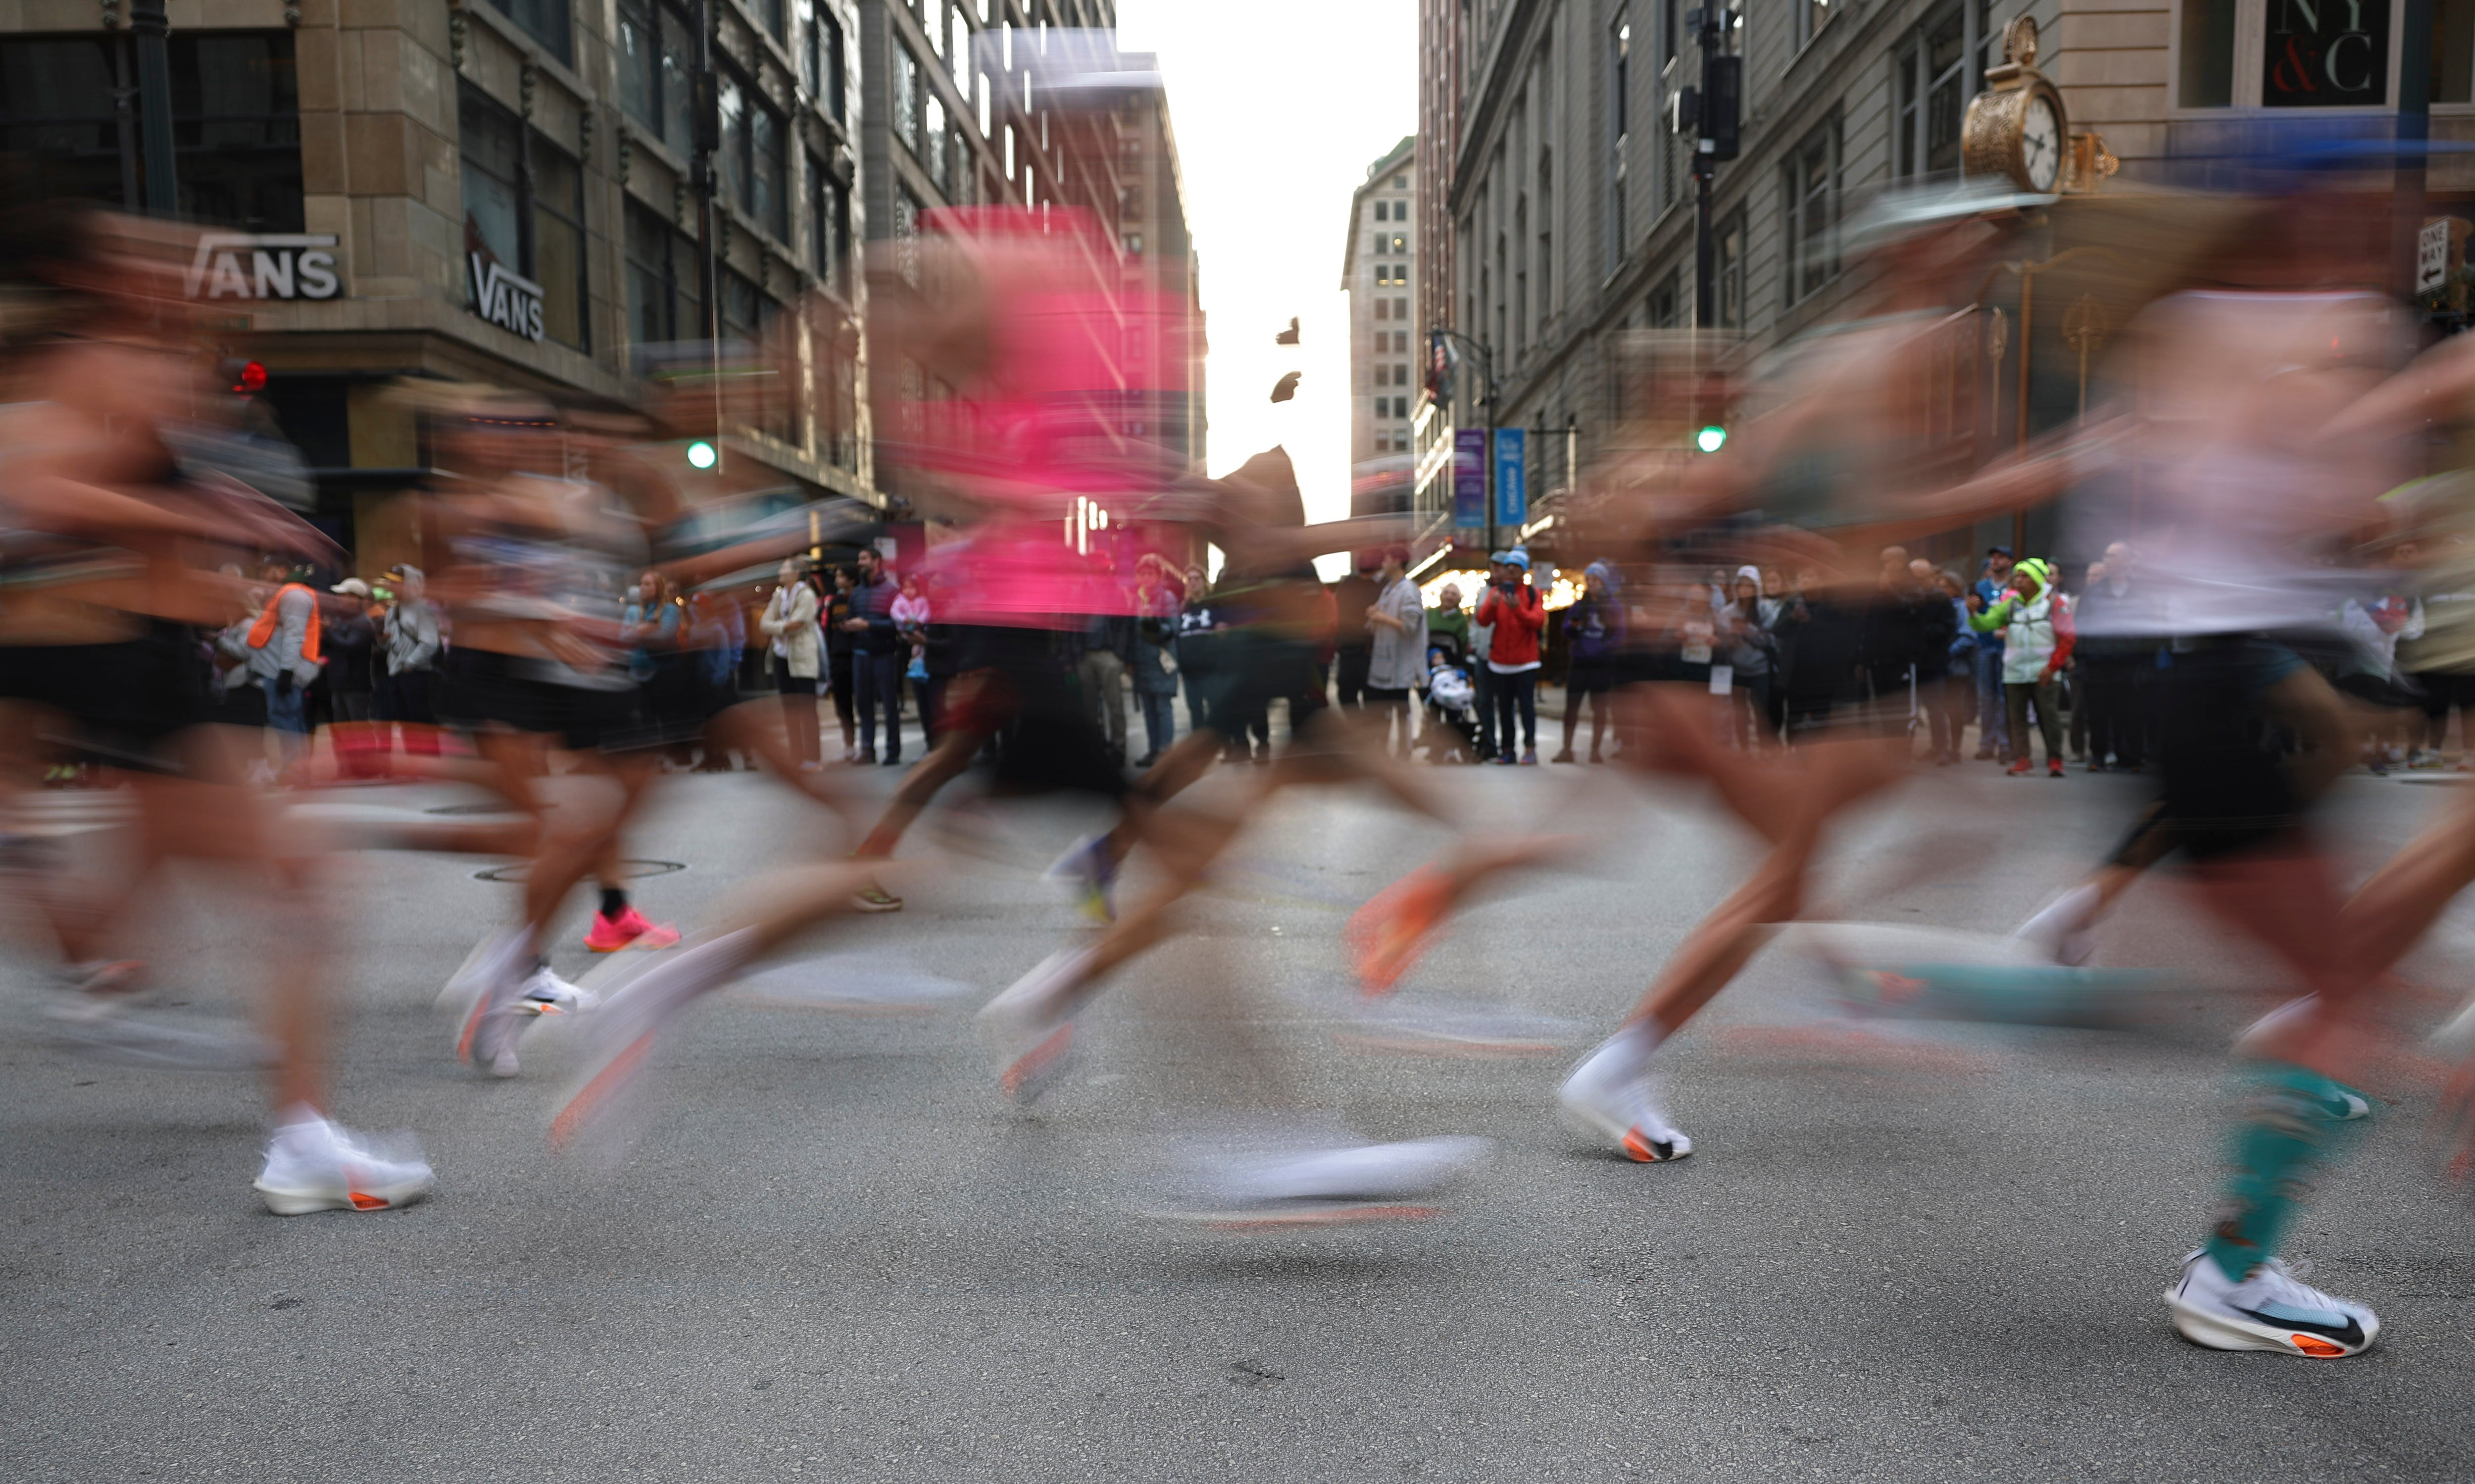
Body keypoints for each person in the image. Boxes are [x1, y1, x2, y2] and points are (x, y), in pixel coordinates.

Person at [1972, 557, 2073, 777]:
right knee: (2016, 718)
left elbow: (2068, 638)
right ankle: (2023, 759)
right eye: (2018, 575)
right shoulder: (2011, 604)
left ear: (2037, 578)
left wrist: (2053, 667)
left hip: (2044, 671)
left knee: (2050, 717)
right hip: (2015, 672)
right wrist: (1973, 614)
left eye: (2025, 576)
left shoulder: (2055, 602)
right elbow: (1986, 624)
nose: (2019, 580)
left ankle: (2055, 759)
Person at [2073, 545, 2147, 772]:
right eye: (2105, 555)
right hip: (2098, 662)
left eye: (2113, 556)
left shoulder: (2140, 592)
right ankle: (2098, 755)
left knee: (2129, 711)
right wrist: (2081, 658)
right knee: (2097, 711)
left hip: (2129, 661)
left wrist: (2144, 657)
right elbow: (2081, 627)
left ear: (2126, 560)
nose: (2107, 560)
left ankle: (2129, 757)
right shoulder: (2093, 592)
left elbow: (2148, 626)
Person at [1474, 548, 1545, 765]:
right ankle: (1508, 750)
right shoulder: (1497, 592)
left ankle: (1530, 749)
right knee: (1504, 709)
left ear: (1523, 571)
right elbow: (1483, 621)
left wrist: (1518, 610)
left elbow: (1538, 621)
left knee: (1526, 708)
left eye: (1516, 566)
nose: (1511, 569)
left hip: (1525, 663)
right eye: (1508, 566)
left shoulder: (1534, 593)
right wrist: (1493, 603)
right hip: (1500, 663)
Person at [1360, 544, 1426, 759]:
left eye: (1387, 559)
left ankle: (1404, 752)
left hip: (1400, 663)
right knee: (1387, 710)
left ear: (1398, 561)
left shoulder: (1408, 590)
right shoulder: (1390, 589)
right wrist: (1375, 614)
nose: (1383, 563)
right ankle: (1388, 752)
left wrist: (1380, 618)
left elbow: (1409, 626)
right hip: (1387, 663)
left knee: (1401, 709)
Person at [1554, 562, 1623, 763]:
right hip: (1580, 661)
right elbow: (1567, 631)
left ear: (1603, 582)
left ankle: (1595, 751)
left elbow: (1620, 634)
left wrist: (1603, 649)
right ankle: (1566, 749)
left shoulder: (1613, 606)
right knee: (1572, 707)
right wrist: (1573, 628)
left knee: (1599, 708)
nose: (1591, 584)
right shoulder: (1580, 604)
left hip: (1601, 663)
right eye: (1589, 580)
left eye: (1595, 580)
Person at [759, 559, 823, 770]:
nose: (780, 571)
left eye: (785, 568)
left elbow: (796, 626)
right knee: (790, 710)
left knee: (807, 709)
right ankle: (796, 757)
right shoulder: (779, 595)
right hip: (781, 657)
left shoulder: (806, 595)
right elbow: (763, 623)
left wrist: (777, 627)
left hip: (802, 659)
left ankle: (813, 758)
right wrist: (782, 626)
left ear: (796, 572)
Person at [374, 562, 442, 761]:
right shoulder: (393, 611)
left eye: (397, 583)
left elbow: (430, 643)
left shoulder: (423, 609)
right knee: (405, 721)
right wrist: (383, 641)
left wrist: (410, 664)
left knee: (421, 720)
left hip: (416, 674)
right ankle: (416, 763)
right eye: (391, 583)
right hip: (396, 673)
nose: (391, 587)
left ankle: (429, 762)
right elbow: (390, 645)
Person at [844, 546, 903, 764]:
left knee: (889, 706)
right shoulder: (857, 593)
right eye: (859, 558)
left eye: (864, 558)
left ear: (877, 561)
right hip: (860, 655)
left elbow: (897, 624)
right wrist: (848, 625)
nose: (860, 562)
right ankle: (867, 751)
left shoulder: (891, 591)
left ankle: (893, 752)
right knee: (864, 706)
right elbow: (851, 617)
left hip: (884, 656)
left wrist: (868, 624)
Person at [320, 577, 382, 780]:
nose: (339, 600)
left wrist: (329, 631)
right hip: (339, 682)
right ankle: (347, 768)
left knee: (358, 728)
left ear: (356, 599)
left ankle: (365, 769)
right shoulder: (344, 621)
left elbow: (349, 646)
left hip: (355, 684)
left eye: (344, 596)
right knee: (342, 730)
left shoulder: (362, 623)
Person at [1713, 565, 1778, 752]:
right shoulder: (1726, 612)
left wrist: (1747, 630)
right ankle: (1744, 751)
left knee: (1761, 713)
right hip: (1736, 670)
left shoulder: (1765, 611)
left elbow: (1772, 640)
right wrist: (1728, 639)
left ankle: (1765, 750)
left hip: (1760, 670)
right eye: (1742, 586)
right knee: (1739, 714)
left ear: (1756, 588)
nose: (1745, 590)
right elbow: (1721, 641)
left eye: (1750, 586)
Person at [1129, 555, 1182, 768]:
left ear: (1159, 576)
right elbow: (1132, 632)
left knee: (1163, 708)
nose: (1146, 577)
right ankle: (1153, 750)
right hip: (1143, 663)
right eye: (1142, 574)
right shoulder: (1137, 598)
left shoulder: (1167, 598)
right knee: (1149, 710)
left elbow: (1174, 630)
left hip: (1161, 663)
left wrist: (1154, 623)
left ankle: (1165, 753)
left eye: (1151, 573)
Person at [1905, 557, 1959, 763]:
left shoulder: (1940, 598)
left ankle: (1941, 748)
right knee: (1907, 708)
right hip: (1910, 660)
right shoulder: (1908, 597)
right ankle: (1905, 750)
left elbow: (1947, 629)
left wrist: (1920, 632)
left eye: (1919, 577)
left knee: (1935, 706)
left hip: (1933, 661)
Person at [1970, 545, 2015, 759]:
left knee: (2005, 697)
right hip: (1986, 646)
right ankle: (1986, 744)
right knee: (1986, 697)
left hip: (2008, 648)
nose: (1995, 562)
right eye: (1993, 558)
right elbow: (1976, 616)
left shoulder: (2016, 587)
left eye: (2001, 558)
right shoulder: (1980, 587)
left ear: (2010, 562)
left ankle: (2006, 745)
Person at [1329, 555, 1381, 711]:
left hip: (1368, 652)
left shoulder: (1380, 585)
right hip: (1353, 651)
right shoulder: (1349, 584)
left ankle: (1366, 732)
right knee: (1351, 697)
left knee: (1366, 699)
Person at [1175, 564, 1220, 739]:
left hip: (1210, 665)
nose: (1193, 582)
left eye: (1197, 578)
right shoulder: (1183, 607)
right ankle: (1199, 747)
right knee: (1195, 708)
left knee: (1215, 705)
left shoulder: (1214, 603)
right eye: (1189, 579)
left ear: (1204, 581)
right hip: (1189, 667)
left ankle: (1225, 745)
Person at [822, 565, 860, 762]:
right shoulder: (833, 602)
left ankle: (867, 744)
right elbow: (828, 631)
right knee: (842, 705)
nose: (836, 579)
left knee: (863, 702)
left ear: (852, 579)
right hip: (838, 658)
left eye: (840, 575)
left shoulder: (860, 598)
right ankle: (849, 745)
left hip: (858, 656)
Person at [1426, 582, 1471, 669]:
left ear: (1458, 600)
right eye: (1446, 593)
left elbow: (1462, 645)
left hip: (1450, 663)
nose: (1449, 597)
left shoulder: (1461, 620)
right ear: (1441, 596)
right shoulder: (1430, 613)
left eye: (1453, 594)